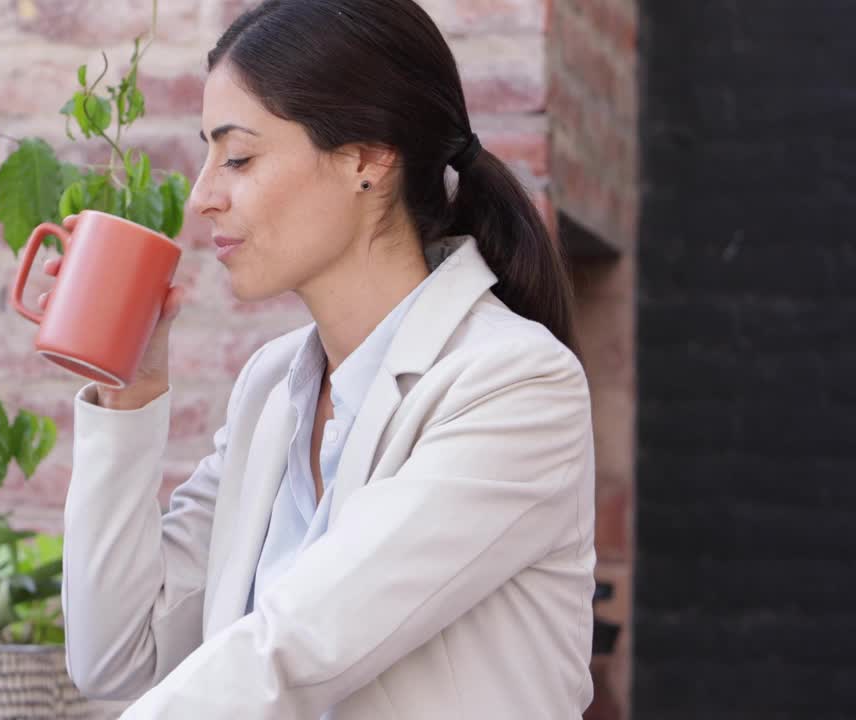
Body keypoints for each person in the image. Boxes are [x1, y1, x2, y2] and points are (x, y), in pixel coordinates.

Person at [40, 0, 596, 716]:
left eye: (237, 156)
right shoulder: (273, 392)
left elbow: (296, 652)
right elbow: (117, 660)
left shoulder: (514, 385)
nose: (205, 195)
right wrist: (129, 391)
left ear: (366, 158)